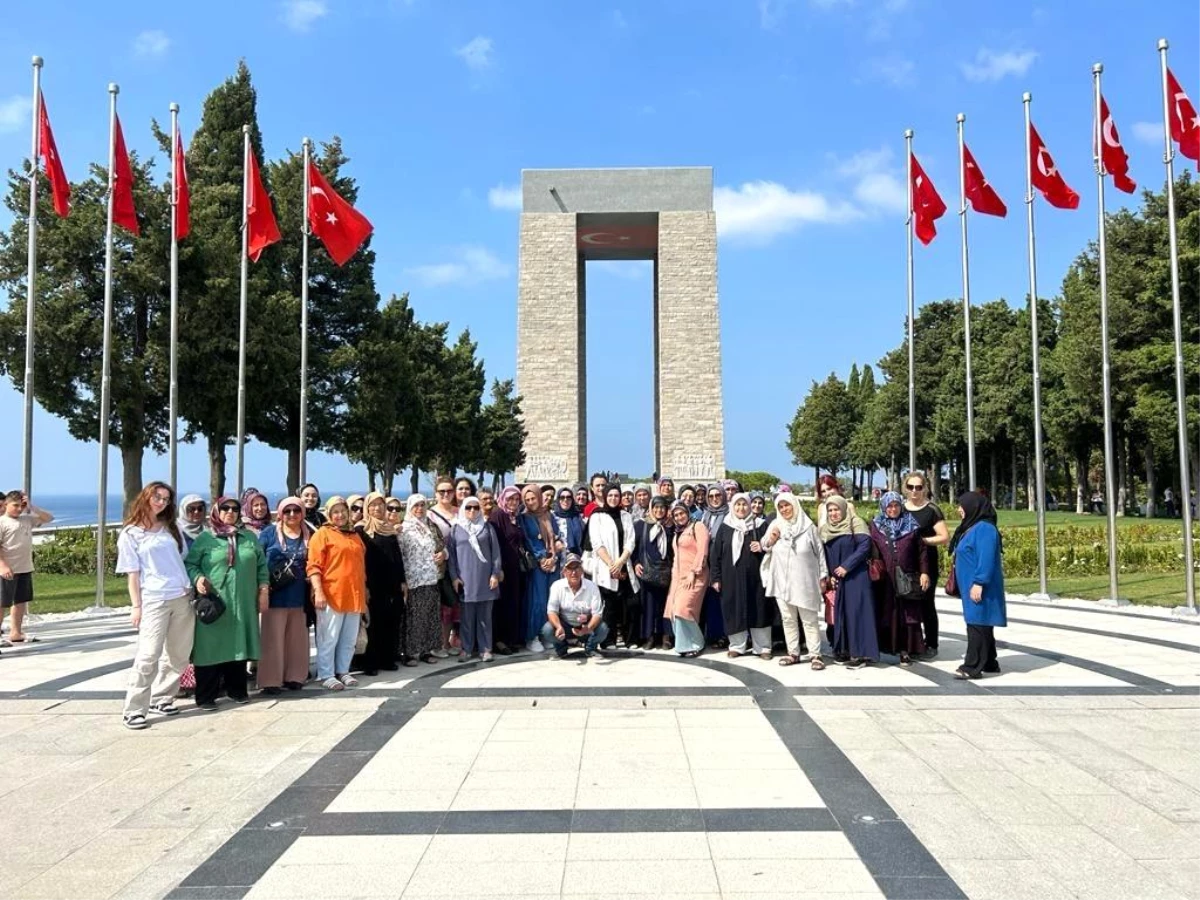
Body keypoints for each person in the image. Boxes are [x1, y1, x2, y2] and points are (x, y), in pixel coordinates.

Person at [117, 482, 195, 729]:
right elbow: (132, 574)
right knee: (148, 655)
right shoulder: (131, 534)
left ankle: (163, 697)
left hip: (181, 596)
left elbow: (182, 559)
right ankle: (134, 708)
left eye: (166, 498)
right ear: (146, 497)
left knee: (179, 654)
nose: (161, 502)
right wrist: (136, 606)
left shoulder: (172, 529)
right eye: (157, 496)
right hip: (154, 599)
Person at [185, 497, 268, 709]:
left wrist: (264, 590)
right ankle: (206, 696)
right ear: (216, 511)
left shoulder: (248, 537)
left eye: (235, 508)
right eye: (225, 508)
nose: (230, 512)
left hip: (243, 601)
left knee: (238, 644)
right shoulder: (206, 538)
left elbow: (261, 567)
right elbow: (191, 564)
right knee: (209, 647)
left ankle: (236, 690)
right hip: (216, 602)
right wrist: (198, 579)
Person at [306, 497, 368, 689]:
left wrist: (365, 591)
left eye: (343, 511)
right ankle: (326, 674)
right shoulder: (322, 534)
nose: (340, 515)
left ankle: (343, 670)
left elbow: (361, 566)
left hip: (354, 593)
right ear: (329, 514)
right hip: (331, 594)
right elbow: (313, 566)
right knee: (328, 637)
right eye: (335, 511)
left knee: (349, 638)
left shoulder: (354, 535)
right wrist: (318, 591)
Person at [761, 492, 828, 668]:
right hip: (782, 580)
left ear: (795, 505)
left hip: (804, 580)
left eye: (787, 505)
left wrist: (823, 576)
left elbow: (820, 553)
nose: (784, 509)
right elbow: (764, 545)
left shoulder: (808, 526)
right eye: (781, 507)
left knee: (809, 618)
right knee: (788, 618)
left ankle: (815, 654)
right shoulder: (776, 524)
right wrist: (772, 538)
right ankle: (793, 653)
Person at [258, 497, 313, 694]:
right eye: (287, 511)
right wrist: (261, 588)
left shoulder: (310, 533)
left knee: (297, 639)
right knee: (272, 639)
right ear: (280, 513)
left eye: (296, 510)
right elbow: (258, 559)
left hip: (300, 595)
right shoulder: (269, 533)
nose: (292, 515)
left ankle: (295, 676)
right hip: (275, 595)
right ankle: (271, 680)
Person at [950, 491, 1006, 679]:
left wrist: (979, 582)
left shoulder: (984, 529)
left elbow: (986, 558)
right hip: (971, 585)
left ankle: (972, 666)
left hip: (980, 586)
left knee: (977, 624)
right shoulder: (974, 527)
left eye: (962, 506)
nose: (959, 510)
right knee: (982, 622)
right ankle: (990, 662)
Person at [869, 492, 928, 666]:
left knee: (907, 614)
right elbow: (872, 549)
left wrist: (924, 572)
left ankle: (906, 650)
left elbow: (922, 551)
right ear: (883, 507)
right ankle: (886, 647)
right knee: (887, 612)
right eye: (889, 506)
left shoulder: (912, 524)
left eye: (896, 505)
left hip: (907, 577)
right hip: (885, 579)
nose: (893, 509)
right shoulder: (876, 525)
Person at [710, 493, 772, 659]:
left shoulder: (760, 525)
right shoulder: (725, 527)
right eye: (737, 505)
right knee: (734, 609)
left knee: (759, 608)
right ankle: (737, 646)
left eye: (744, 504)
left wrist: (762, 546)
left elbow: (772, 547)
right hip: (731, 577)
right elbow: (715, 555)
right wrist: (715, 578)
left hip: (756, 577)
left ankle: (763, 647)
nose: (741, 508)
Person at [820, 495, 877, 668]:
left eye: (837, 509)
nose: (834, 513)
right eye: (830, 510)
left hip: (856, 576)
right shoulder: (825, 529)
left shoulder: (856, 523)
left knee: (857, 614)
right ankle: (844, 650)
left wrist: (846, 566)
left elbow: (864, 546)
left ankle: (860, 654)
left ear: (844, 509)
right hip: (837, 579)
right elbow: (824, 553)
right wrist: (829, 574)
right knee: (841, 614)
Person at [584, 484, 641, 648]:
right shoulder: (597, 516)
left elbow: (630, 541)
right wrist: (611, 564)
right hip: (605, 567)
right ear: (605, 496)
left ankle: (631, 639)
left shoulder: (626, 515)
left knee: (631, 604)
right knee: (609, 606)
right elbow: (596, 542)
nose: (613, 498)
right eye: (610, 496)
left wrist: (620, 562)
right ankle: (608, 640)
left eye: (617, 495)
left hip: (624, 564)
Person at [447, 496, 502, 662]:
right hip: (466, 581)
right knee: (466, 618)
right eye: (468, 507)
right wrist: (455, 577)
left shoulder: (487, 528)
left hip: (485, 580)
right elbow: (452, 557)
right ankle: (467, 648)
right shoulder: (456, 529)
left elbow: (496, 554)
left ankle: (486, 649)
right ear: (463, 509)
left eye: (476, 508)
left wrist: (495, 574)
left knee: (485, 617)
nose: (472, 511)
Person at [358, 492, 406, 674]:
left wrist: (402, 581)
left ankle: (388, 658)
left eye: (380, 505)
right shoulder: (362, 530)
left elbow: (397, 557)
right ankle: (371, 662)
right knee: (374, 623)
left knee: (390, 621)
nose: (377, 508)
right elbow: (360, 560)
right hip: (372, 584)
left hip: (391, 584)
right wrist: (364, 585)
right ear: (367, 508)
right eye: (373, 505)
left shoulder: (389, 529)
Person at [904, 471, 948, 659]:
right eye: (911, 487)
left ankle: (931, 643)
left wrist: (923, 541)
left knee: (926, 603)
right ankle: (911, 641)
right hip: (906, 562)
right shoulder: (900, 508)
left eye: (919, 487)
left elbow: (944, 537)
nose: (915, 491)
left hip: (926, 562)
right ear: (905, 488)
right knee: (907, 602)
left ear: (925, 488)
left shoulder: (932, 510)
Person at [0, 491, 52, 646]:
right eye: (15, 505)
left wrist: (31, 507)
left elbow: (48, 518)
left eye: (21, 506)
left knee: (20, 601)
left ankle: (16, 632)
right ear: (6, 504)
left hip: (24, 568)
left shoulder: (27, 519)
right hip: (7, 570)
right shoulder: (2, 522)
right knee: (2, 603)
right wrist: (2, 566)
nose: (18, 509)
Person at [397, 494, 445, 664]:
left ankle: (426, 650)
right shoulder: (404, 529)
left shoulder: (429, 527)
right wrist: (402, 580)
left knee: (430, 616)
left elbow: (441, 546)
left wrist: (443, 555)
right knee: (414, 617)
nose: (419, 509)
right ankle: (410, 653)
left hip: (431, 577)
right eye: (415, 506)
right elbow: (400, 555)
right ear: (409, 508)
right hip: (413, 579)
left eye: (422, 505)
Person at [540, 553, 608, 658]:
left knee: (603, 629)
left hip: (585, 625)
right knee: (547, 630)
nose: (573, 573)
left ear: (582, 570)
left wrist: (587, 628)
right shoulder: (556, 586)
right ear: (564, 572)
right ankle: (561, 649)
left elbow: (597, 614)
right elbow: (552, 611)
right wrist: (558, 627)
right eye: (570, 569)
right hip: (565, 626)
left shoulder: (592, 587)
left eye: (576, 568)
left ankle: (590, 648)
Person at [664, 502, 708, 657]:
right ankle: (683, 645)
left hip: (695, 576)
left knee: (684, 608)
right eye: (676, 515)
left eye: (682, 513)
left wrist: (694, 572)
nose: (679, 517)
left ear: (687, 513)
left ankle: (697, 642)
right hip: (678, 577)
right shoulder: (678, 533)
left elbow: (702, 551)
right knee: (673, 610)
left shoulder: (698, 527)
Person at [520, 484, 559, 652]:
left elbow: (556, 537)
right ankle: (533, 636)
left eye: (533, 498)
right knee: (537, 601)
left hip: (553, 564)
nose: (530, 502)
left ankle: (546, 634)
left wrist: (553, 557)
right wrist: (543, 558)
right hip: (538, 566)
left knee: (550, 601)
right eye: (527, 500)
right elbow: (529, 540)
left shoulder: (548, 515)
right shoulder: (524, 517)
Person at [488, 486, 525, 655]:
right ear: (503, 499)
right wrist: (498, 568)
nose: (513, 502)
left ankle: (511, 639)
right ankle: (499, 640)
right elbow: (495, 544)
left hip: (515, 569)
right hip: (503, 569)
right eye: (510, 499)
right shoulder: (498, 516)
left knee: (512, 603)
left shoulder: (515, 517)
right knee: (501, 605)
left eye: (516, 499)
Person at [427, 477, 461, 657]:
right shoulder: (430, 515)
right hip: (438, 566)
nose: (446, 494)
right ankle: (439, 644)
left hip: (459, 564)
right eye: (442, 491)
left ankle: (451, 642)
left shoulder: (460, 512)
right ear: (436, 494)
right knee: (441, 606)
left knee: (454, 605)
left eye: (449, 491)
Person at [634, 496, 673, 649]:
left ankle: (666, 636)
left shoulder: (670, 526)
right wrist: (635, 563)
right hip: (647, 571)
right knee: (648, 606)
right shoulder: (641, 525)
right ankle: (649, 636)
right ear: (651, 508)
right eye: (656, 507)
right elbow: (633, 547)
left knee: (666, 605)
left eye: (662, 507)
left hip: (665, 572)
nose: (659, 510)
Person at [699, 485, 730, 645]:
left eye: (718, 495)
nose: (714, 498)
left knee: (723, 600)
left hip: (724, 563)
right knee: (710, 601)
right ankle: (712, 634)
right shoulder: (705, 515)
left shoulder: (729, 515)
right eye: (710, 496)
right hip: (707, 564)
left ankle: (725, 635)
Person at [552, 487, 585, 561]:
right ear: (558, 499)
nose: (565, 500)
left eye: (569, 497)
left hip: (576, 560)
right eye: (562, 497)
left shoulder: (578, 517)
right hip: (556, 560)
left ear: (572, 500)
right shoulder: (552, 517)